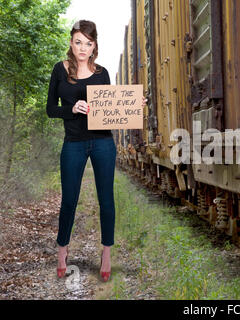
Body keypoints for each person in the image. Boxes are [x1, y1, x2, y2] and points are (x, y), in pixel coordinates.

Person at [46, 20, 118, 282]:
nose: (83, 48)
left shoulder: (102, 73)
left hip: (103, 143)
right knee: (69, 200)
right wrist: (72, 109)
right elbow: (50, 109)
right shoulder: (60, 70)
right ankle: (62, 250)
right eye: (78, 42)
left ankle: (107, 253)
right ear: (71, 42)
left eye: (88, 43)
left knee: (106, 200)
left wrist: (133, 105)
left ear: (94, 45)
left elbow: (111, 111)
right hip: (73, 143)